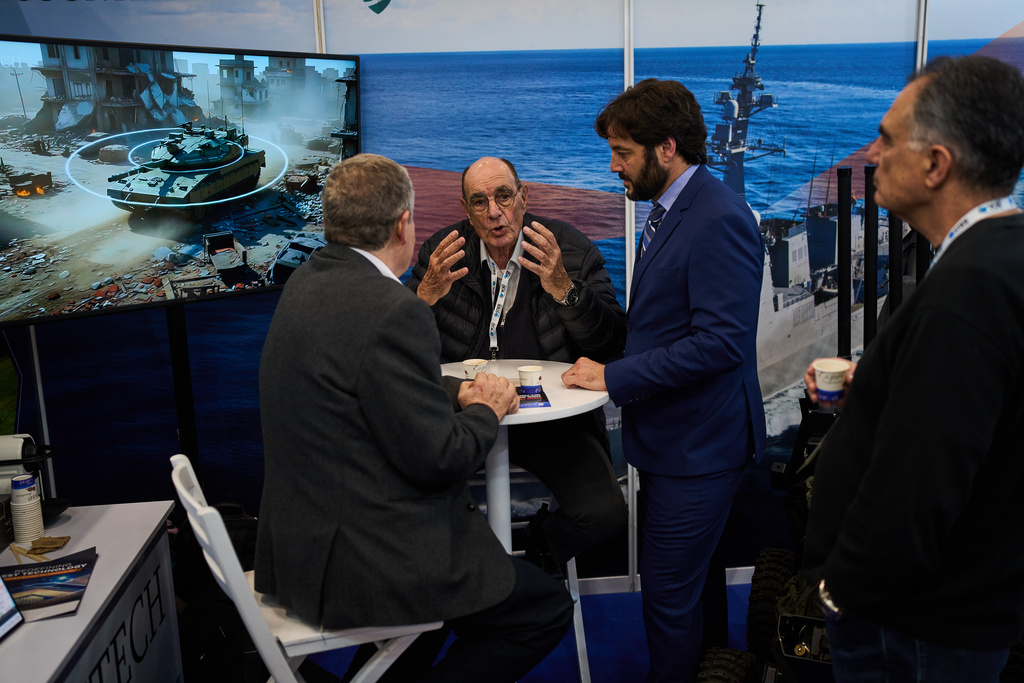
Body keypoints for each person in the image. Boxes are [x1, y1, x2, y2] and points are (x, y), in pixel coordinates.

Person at [254, 153, 573, 682]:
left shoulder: (307, 281)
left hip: (299, 549)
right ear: (404, 223)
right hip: (369, 560)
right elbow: (441, 459)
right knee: (543, 610)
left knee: (446, 613)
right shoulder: (392, 309)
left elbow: (363, 380)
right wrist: (487, 411)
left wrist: (455, 389)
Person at [800, 55, 1024, 682]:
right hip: (960, 608)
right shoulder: (1004, 258)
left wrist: (840, 590)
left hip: (914, 626)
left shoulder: (967, 289)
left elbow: (921, 481)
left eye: (889, 138)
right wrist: (872, 384)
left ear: (936, 164)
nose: (873, 151)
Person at [562, 78, 767, 681]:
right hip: (676, 441)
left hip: (700, 449)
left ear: (667, 148)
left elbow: (721, 344)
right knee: (693, 587)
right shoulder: (676, 208)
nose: (613, 166)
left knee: (667, 599)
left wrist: (612, 376)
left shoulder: (718, 217)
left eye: (623, 153)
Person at [405, 156, 627, 573]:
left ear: (523, 197)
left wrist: (564, 287)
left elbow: (613, 342)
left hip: (552, 420)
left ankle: (542, 549)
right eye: (479, 202)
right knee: (408, 506)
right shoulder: (444, 251)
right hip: (465, 415)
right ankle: (464, 586)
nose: (493, 212)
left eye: (504, 196)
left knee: (605, 514)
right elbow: (395, 344)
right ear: (466, 210)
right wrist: (425, 296)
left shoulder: (572, 251)